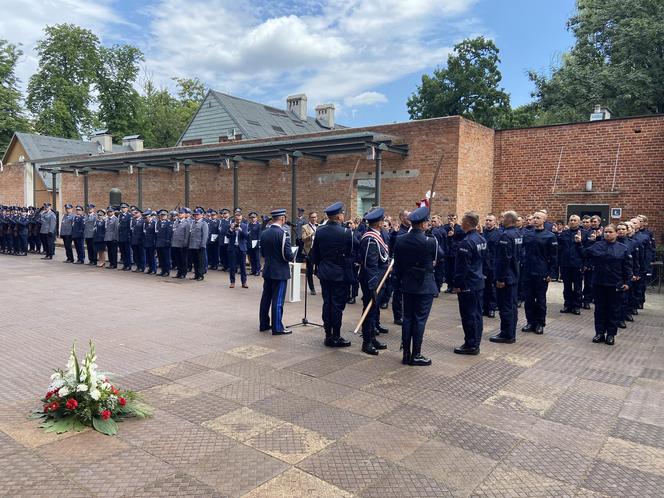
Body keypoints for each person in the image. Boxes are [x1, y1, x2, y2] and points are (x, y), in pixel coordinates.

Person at [394, 206, 440, 365]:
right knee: (419, 320)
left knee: (407, 319)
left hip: (407, 284)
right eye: (427, 221)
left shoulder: (400, 239)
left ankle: (406, 353)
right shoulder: (430, 241)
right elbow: (439, 256)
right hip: (424, 285)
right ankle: (416, 354)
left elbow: (398, 265)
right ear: (422, 224)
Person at [309, 201, 354, 348]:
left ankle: (328, 335)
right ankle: (336, 335)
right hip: (339, 273)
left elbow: (314, 254)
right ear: (339, 216)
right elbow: (350, 253)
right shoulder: (346, 232)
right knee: (337, 305)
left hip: (324, 272)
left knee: (327, 303)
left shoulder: (320, 231)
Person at [583, 224, 632, 345]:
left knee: (614, 309)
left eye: (610, 232)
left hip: (615, 283)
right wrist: (584, 243)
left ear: (616, 233)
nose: (608, 234)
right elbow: (584, 254)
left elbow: (627, 267)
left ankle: (611, 334)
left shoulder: (623, 248)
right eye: (606, 232)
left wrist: (627, 282)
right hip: (599, 282)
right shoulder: (597, 246)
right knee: (599, 309)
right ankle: (599, 332)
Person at [453, 211, 487, 355]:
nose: (461, 223)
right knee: (477, 314)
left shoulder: (467, 242)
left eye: (462, 221)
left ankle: (471, 344)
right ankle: (475, 341)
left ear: (467, 223)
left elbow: (462, 268)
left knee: (469, 315)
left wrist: (458, 284)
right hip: (478, 281)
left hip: (468, 284)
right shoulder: (481, 239)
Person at [358, 208, 389, 355]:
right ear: (379, 223)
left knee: (374, 310)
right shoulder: (370, 238)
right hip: (373, 282)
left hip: (379, 280)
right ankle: (367, 342)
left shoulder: (378, 235)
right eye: (383, 220)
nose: (384, 223)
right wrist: (372, 286)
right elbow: (369, 265)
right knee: (369, 311)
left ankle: (372, 338)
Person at [259, 208, 295, 335]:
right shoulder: (283, 234)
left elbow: (262, 253)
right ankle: (277, 327)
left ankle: (263, 324)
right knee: (278, 300)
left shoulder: (264, 233)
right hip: (280, 271)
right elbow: (288, 256)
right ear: (283, 219)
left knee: (266, 298)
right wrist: (293, 254)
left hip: (268, 269)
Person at [522, 211, 558, 335]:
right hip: (528, 271)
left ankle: (540, 323)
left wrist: (551, 273)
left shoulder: (550, 236)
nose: (535, 220)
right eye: (534, 218)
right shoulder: (527, 234)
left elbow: (554, 256)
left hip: (541, 272)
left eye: (538, 218)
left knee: (541, 299)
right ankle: (530, 322)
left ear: (544, 220)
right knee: (529, 299)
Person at [490, 211, 522, 344]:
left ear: (509, 219)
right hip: (514, 275)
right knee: (512, 305)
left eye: (503, 217)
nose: (501, 219)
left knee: (506, 306)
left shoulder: (506, 235)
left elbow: (504, 259)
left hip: (507, 277)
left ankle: (507, 334)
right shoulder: (518, 234)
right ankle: (509, 332)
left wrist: (500, 278)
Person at [558, 215, 584, 315]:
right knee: (567, 286)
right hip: (565, 264)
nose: (572, 222)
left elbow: (585, 252)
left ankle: (577, 306)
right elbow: (559, 248)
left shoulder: (583, 234)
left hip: (577, 264)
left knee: (577, 286)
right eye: (571, 220)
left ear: (579, 222)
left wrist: (579, 242)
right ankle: (567, 304)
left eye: (574, 220)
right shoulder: (564, 233)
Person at [388, 210, 410, 325]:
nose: (410, 218)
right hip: (400, 267)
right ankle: (398, 316)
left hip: (408, 268)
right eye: (407, 216)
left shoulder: (409, 231)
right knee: (398, 293)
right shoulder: (400, 233)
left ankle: (404, 314)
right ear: (402, 218)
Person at [482, 214, 501, 317]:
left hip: (493, 264)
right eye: (487, 220)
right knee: (484, 287)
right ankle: (484, 307)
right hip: (484, 264)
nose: (488, 222)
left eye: (490, 220)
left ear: (495, 222)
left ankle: (492, 308)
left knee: (492, 288)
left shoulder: (499, 234)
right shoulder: (482, 233)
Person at [227, 208, 248, 288]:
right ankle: (232, 282)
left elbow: (246, 236)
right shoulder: (230, 225)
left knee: (243, 266)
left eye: (239, 219)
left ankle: (244, 282)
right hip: (232, 248)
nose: (238, 220)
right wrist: (231, 229)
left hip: (241, 248)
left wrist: (240, 230)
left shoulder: (244, 226)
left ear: (242, 218)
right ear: (234, 218)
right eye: (237, 219)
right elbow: (227, 236)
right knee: (232, 266)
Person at [443, 213, 464, 293]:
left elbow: (462, 238)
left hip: (456, 252)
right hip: (447, 252)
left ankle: (455, 286)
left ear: (456, 219)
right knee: (448, 270)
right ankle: (449, 285)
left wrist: (454, 232)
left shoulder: (459, 228)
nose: (451, 220)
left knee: (454, 270)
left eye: (453, 218)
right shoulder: (445, 227)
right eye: (449, 219)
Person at [188, 207, 209, 281]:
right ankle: (196, 274)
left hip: (200, 245)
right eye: (195, 215)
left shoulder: (204, 223)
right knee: (195, 261)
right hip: (193, 245)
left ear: (202, 215)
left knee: (201, 261)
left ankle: (200, 275)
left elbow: (205, 235)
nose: (196, 216)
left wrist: (202, 245)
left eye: (197, 214)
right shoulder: (193, 223)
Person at [301, 211, 318, 295]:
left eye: (315, 217)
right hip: (309, 250)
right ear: (309, 218)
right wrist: (311, 235)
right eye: (312, 217)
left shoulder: (319, 226)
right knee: (310, 270)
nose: (314, 219)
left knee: (319, 269)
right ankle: (312, 288)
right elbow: (303, 239)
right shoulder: (305, 227)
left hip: (318, 250)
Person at [171, 208, 191, 279]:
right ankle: (179, 273)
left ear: (185, 214)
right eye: (179, 213)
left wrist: (185, 244)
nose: (180, 214)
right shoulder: (176, 222)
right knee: (178, 259)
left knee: (183, 260)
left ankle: (183, 273)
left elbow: (187, 235)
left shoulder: (187, 223)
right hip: (175, 243)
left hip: (182, 244)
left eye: (181, 213)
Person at [155, 209, 172, 277]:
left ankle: (167, 271)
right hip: (159, 243)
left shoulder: (169, 223)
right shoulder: (158, 222)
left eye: (164, 215)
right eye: (161, 215)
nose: (162, 216)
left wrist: (167, 241)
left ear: (167, 216)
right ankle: (163, 270)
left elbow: (169, 233)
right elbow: (156, 233)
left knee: (166, 258)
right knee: (161, 258)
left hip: (165, 243)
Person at [130, 208, 145, 272]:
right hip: (134, 240)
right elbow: (131, 230)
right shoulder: (133, 220)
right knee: (135, 255)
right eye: (134, 213)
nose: (135, 214)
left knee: (141, 254)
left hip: (140, 241)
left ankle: (142, 267)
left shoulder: (143, 221)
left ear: (140, 213)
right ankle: (138, 266)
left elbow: (144, 232)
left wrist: (142, 240)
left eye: (136, 213)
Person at [118, 203, 132, 270]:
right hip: (121, 236)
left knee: (127, 252)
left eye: (124, 208)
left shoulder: (129, 216)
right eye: (122, 208)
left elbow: (130, 227)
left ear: (127, 208)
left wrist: (129, 235)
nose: (123, 209)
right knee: (122, 251)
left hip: (126, 236)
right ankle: (125, 264)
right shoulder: (120, 215)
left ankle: (128, 265)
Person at [143, 210, 157, 274]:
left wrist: (155, 243)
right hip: (147, 242)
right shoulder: (145, 223)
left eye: (147, 217)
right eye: (145, 217)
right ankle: (150, 268)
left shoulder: (154, 223)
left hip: (152, 242)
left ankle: (154, 269)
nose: (146, 218)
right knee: (148, 256)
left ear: (150, 216)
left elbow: (155, 234)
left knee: (152, 256)